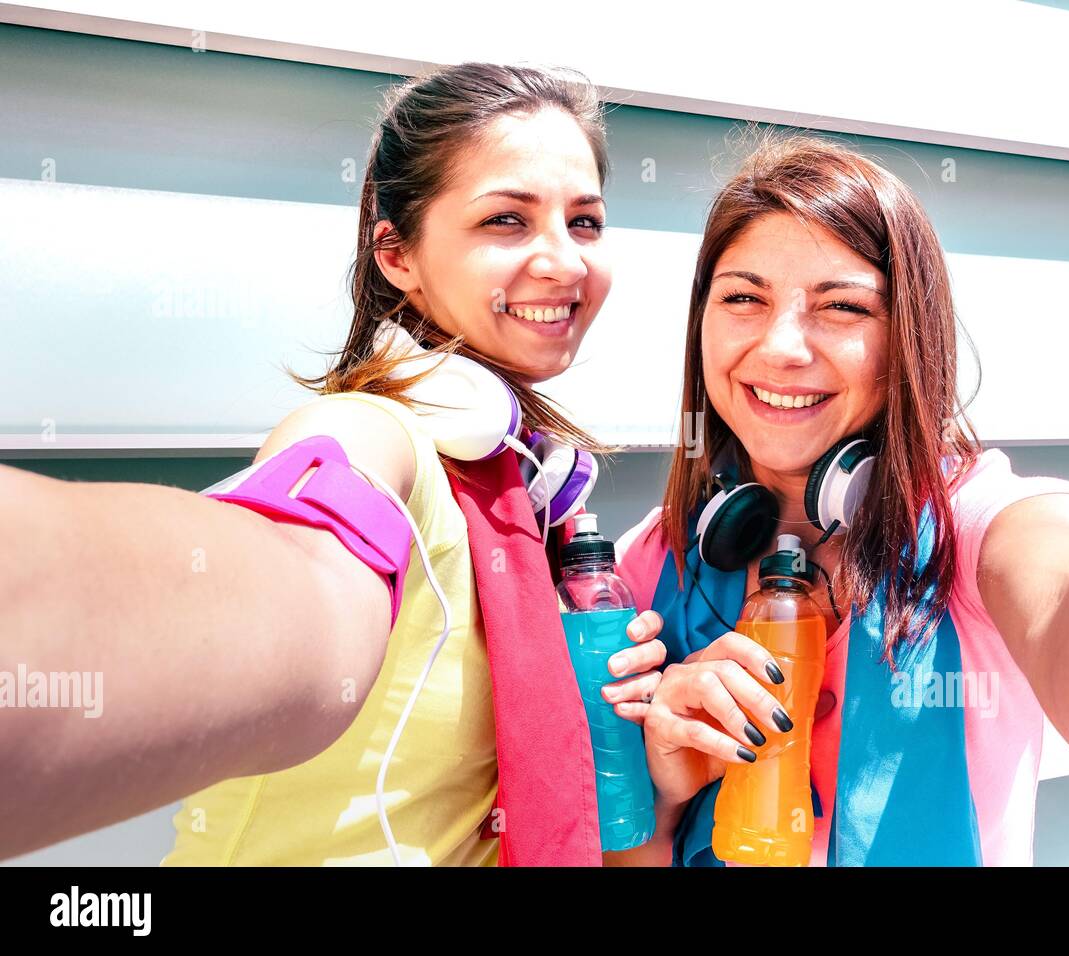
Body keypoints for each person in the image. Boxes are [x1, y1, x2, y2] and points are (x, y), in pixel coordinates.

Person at [0, 63, 666, 866]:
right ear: (397, 254)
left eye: (584, 222)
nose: (564, 263)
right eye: (505, 222)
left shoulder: (517, 491)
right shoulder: (364, 435)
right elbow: (298, 575)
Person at [610, 134, 1069, 866]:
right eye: (744, 298)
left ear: (907, 340)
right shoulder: (646, 565)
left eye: (842, 307)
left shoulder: (978, 528)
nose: (783, 346)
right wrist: (662, 791)